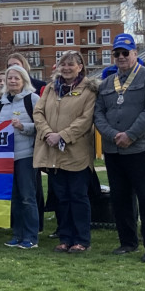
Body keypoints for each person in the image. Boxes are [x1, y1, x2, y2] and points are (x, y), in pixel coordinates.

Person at [94, 34, 145, 262]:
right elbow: (98, 114)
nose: (122, 57)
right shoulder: (106, 83)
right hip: (114, 149)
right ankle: (127, 242)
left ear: (135, 53)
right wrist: (114, 135)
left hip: (141, 148)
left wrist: (131, 134)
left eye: (126, 52)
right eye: (117, 53)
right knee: (121, 199)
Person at [33, 50, 98, 254]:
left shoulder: (89, 90)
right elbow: (38, 112)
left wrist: (62, 135)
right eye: (63, 64)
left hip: (76, 152)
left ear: (80, 67)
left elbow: (86, 120)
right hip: (52, 152)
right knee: (61, 197)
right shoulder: (51, 88)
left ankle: (81, 239)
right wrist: (48, 133)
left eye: (71, 64)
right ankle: (65, 237)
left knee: (77, 196)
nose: (67, 68)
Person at [0, 66, 40, 249]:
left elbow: (41, 125)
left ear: (24, 81)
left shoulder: (33, 99)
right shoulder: (1, 103)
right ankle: (17, 234)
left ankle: (31, 236)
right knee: (13, 197)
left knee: (27, 196)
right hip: (6, 156)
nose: (12, 81)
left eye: (16, 78)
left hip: (26, 154)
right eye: (9, 78)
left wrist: (23, 127)